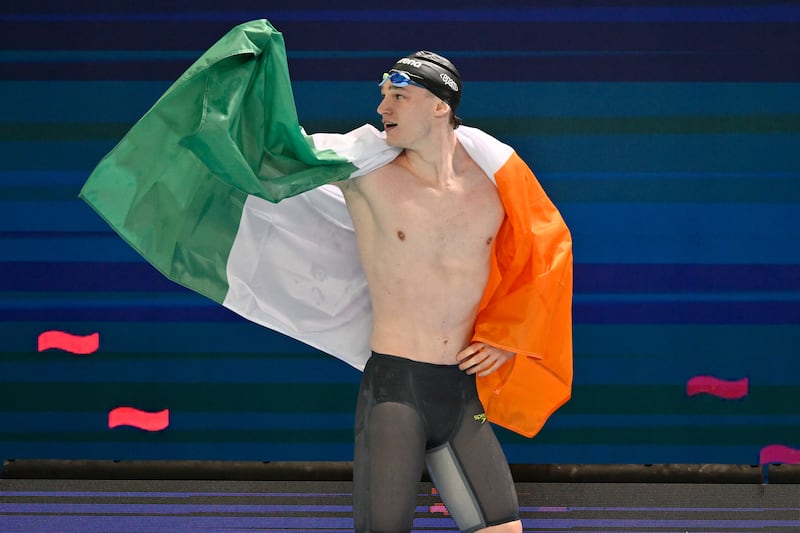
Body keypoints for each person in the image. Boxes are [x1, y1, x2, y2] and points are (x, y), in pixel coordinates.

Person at [334, 51, 523, 533]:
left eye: (399, 96)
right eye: (383, 96)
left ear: (440, 105)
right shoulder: (365, 177)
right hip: (395, 392)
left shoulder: (497, 185)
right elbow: (273, 153)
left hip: (460, 393)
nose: (382, 108)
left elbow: (536, 263)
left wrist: (509, 336)